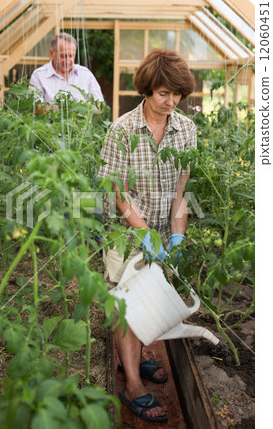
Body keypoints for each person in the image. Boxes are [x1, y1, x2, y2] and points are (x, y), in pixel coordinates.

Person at [98, 49, 196, 422]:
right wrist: (145, 236)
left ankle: (136, 356)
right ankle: (133, 387)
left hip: (161, 226)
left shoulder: (185, 129)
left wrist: (176, 237)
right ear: (146, 90)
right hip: (124, 232)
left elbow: (180, 192)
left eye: (177, 94)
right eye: (163, 93)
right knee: (126, 304)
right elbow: (118, 193)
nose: (171, 102)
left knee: (151, 297)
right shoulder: (121, 129)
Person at [29, 32, 104, 114]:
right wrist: (63, 113)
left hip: (81, 126)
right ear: (51, 53)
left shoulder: (85, 74)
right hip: (50, 126)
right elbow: (35, 106)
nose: (67, 61)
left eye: (71, 56)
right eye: (63, 56)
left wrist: (83, 108)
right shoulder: (39, 75)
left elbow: (100, 107)